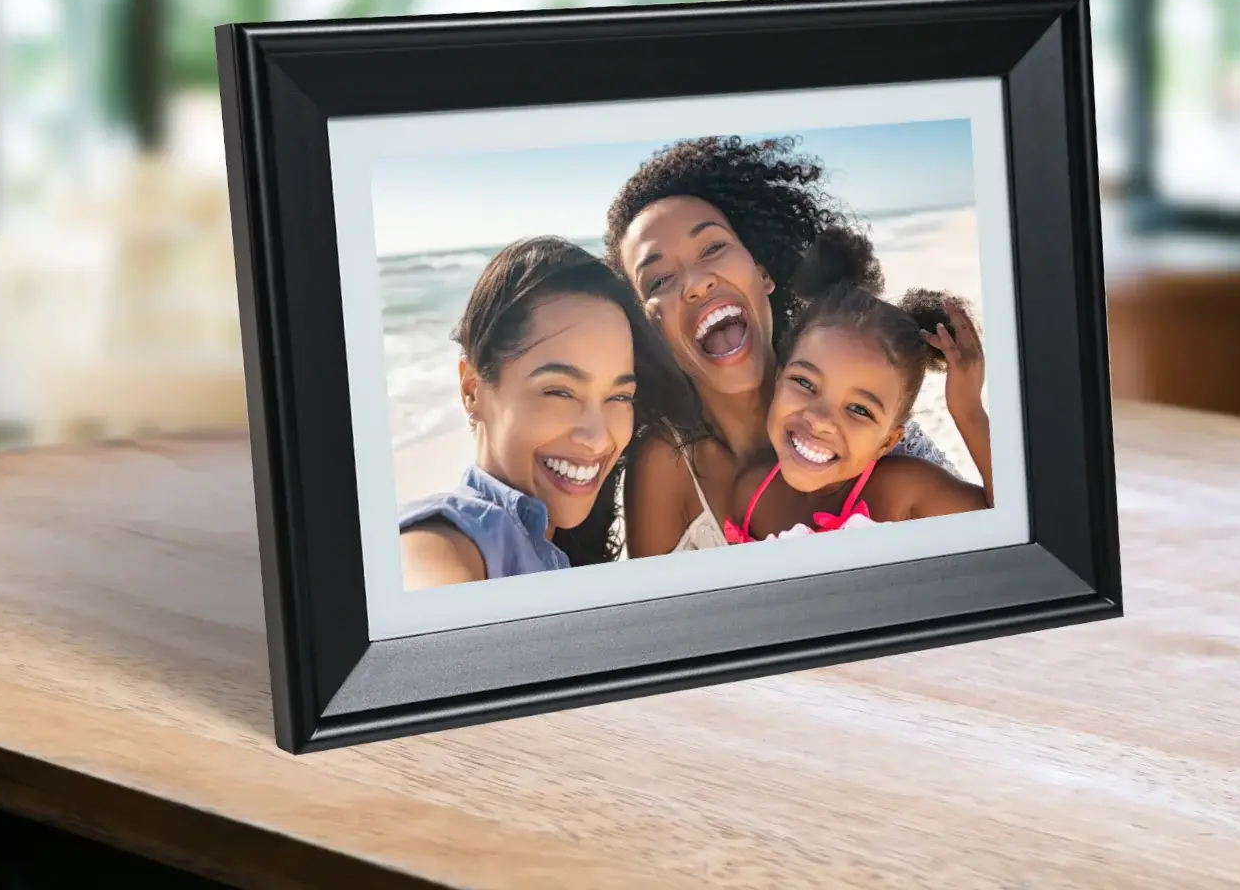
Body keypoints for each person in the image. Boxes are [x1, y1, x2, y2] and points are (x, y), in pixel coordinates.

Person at [601, 136, 976, 557]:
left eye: (713, 247)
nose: (695, 282)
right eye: (659, 280)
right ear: (648, 330)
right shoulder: (663, 464)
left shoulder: (880, 436)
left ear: (763, 272)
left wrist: (969, 414)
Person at [398, 236, 695, 587]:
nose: (598, 438)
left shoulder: (562, 550)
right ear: (472, 389)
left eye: (618, 397)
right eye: (560, 392)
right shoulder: (445, 541)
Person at [723, 227, 990, 543]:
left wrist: (968, 413)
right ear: (779, 379)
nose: (821, 419)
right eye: (805, 383)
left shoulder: (903, 492)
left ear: (887, 443)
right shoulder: (750, 495)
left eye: (859, 409)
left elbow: (1014, 523)